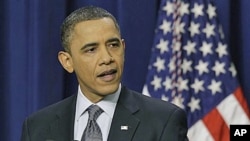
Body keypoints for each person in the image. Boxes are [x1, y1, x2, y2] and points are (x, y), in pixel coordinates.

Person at [21, 6, 189, 141]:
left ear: (123, 48)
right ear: (67, 61)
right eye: (91, 50)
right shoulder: (37, 127)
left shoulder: (163, 121)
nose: (107, 58)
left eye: (113, 45)